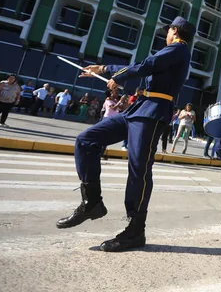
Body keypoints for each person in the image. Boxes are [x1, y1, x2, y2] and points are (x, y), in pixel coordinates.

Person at [55, 16, 194, 252]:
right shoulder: (172, 54)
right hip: (138, 110)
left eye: (167, 30)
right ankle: (91, 202)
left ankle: (135, 230)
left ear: (174, 30)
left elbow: (145, 64)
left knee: (139, 168)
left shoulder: (178, 49)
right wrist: (123, 82)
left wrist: (108, 71)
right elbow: (151, 73)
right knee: (86, 140)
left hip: (151, 115)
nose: (165, 34)